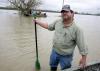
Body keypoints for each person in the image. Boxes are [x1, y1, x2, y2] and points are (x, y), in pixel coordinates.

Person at [33, 4, 88, 71]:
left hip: (66, 56)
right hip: (54, 51)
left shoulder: (77, 29)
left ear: (72, 13)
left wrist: (83, 58)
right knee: (52, 66)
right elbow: (48, 26)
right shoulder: (57, 22)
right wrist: (37, 22)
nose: (64, 13)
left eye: (66, 11)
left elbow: (82, 46)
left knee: (66, 69)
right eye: (62, 12)